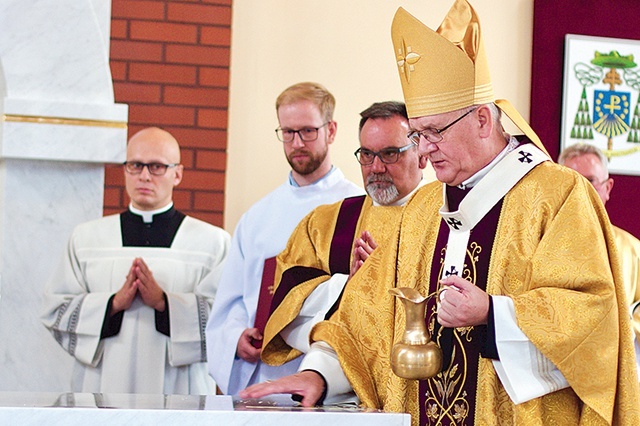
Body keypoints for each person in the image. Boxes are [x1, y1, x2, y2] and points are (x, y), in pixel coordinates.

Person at [240, 1, 640, 424]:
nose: (424, 150)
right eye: (417, 134)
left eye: (434, 132)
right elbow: (368, 315)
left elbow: (592, 315)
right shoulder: (424, 207)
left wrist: (494, 312)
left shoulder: (558, 195)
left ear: (484, 120)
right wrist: (318, 374)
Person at [41, 127, 231, 394]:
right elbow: (55, 311)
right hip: (100, 388)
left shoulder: (213, 243)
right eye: (135, 165)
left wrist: (164, 304)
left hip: (178, 393)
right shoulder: (87, 239)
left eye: (156, 167)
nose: (144, 175)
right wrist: (112, 304)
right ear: (125, 170)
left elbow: (227, 322)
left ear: (177, 173)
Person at [205, 82, 363, 396]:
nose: (296, 143)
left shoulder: (357, 208)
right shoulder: (258, 217)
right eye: (287, 132)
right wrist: (236, 337)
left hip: (327, 378)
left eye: (307, 131)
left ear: (331, 131)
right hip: (264, 374)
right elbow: (233, 298)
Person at [261, 101, 426, 373]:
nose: (376, 167)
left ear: (422, 156)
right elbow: (285, 301)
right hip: (336, 379)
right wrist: (346, 285)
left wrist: (383, 277)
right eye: (367, 154)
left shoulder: (444, 217)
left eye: (390, 154)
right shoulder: (325, 223)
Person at [559, 143, 640, 352]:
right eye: (571, 181)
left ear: (608, 187)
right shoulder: (538, 244)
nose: (581, 190)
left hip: (615, 358)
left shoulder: (632, 250)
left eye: (590, 181)